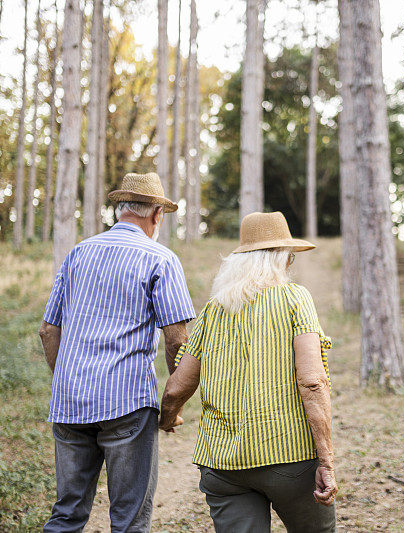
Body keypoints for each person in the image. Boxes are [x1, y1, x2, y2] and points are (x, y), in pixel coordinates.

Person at [159, 211, 337, 533]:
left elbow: (175, 388)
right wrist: (325, 461)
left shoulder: (214, 310)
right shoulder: (296, 299)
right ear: (282, 259)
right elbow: (312, 381)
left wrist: (168, 418)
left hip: (222, 464)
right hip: (289, 457)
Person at [38, 172, 196, 532]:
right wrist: (174, 403)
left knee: (67, 513)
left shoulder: (78, 252)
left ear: (120, 210)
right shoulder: (161, 259)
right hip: (127, 402)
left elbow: (48, 330)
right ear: (156, 214)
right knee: (128, 520)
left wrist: (67, 379)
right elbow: (176, 339)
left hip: (70, 401)